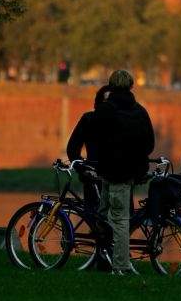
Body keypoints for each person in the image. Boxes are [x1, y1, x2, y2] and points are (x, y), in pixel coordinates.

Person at [94, 69, 155, 276]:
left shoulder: (105, 110)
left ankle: (120, 265)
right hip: (131, 171)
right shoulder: (140, 111)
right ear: (131, 86)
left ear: (111, 87)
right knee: (109, 216)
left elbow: (97, 142)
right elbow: (150, 143)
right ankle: (106, 256)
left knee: (115, 219)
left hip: (110, 171)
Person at [66, 84, 110, 210]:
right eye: (106, 101)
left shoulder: (122, 121)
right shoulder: (89, 119)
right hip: (94, 179)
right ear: (99, 103)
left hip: (116, 180)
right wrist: (83, 170)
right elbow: (72, 149)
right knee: (95, 222)